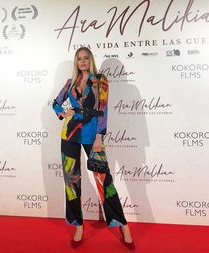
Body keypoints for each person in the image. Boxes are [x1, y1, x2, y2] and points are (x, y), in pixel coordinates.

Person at [53, 47, 134, 248]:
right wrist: (63, 113)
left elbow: (103, 109)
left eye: (86, 58)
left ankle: (122, 224)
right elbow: (56, 104)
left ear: (90, 60)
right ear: (76, 62)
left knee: (104, 179)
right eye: (79, 59)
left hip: (92, 136)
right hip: (69, 135)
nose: (82, 61)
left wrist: (99, 137)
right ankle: (78, 224)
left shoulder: (100, 80)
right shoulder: (69, 83)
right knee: (71, 181)